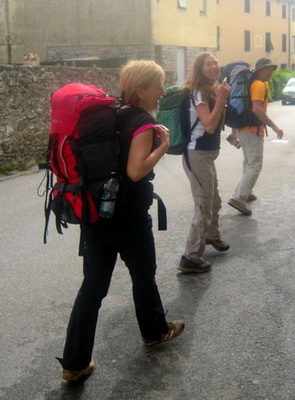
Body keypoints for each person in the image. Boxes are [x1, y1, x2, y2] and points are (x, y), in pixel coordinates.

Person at [56, 60, 185, 382]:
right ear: (141, 90)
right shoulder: (141, 121)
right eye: (158, 85)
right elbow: (136, 171)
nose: (162, 91)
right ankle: (155, 331)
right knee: (143, 275)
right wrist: (164, 145)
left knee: (94, 286)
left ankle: (74, 363)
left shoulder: (113, 114)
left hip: (95, 211)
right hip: (127, 215)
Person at [178, 52, 231, 274]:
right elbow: (209, 125)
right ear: (200, 69)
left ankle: (212, 235)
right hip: (197, 154)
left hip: (207, 154)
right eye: (209, 64)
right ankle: (190, 256)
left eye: (216, 63)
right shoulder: (199, 92)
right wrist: (221, 99)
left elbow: (216, 124)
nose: (214, 66)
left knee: (214, 200)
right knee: (203, 204)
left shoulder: (212, 88)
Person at [228, 58, 284, 215]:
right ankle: (238, 198)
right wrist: (274, 126)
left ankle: (247, 192)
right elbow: (257, 109)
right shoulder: (259, 85)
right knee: (255, 165)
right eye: (268, 69)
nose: (271, 72)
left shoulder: (251, 84)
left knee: (248, 162)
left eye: (272, 69)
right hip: (252, 129)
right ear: (259, 70)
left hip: (244, 128)